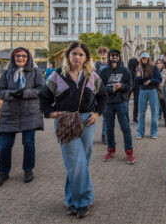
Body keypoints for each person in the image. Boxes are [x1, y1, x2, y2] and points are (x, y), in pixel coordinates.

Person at [39, 42, 107, 218]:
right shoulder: (56, 75)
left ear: (86, 58)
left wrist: (98, 113)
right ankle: (84, 201)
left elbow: (103, 96)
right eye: (74, 54)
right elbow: (44, 97)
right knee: (76, 162)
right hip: (66, 121)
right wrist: (51, 113)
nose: (77, 57)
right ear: (68, 56)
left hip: (87, 121)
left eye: (81, 55)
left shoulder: (92, 75)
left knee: (81, 162)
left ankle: (70, 200)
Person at [0, 47, 45, 188]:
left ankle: (28, 170)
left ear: (28, 58)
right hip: (10, 114)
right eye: (17, 56)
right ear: (13, 58)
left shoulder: (36, 72)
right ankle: (3, 172)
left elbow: (42, 90)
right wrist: (11, 94)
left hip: (30, 113)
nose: (20, 58)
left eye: (23, 56)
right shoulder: (6, 73)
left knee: (28, 143)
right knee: (5, 145)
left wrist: (24, 93)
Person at [100, 49, 134, 164]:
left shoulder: (125, 70)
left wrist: (121, 87)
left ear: (119, 57)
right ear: (109, 57)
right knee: (109, 129)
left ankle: (129, 152)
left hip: (122, 102)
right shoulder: (104, 71)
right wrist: (111, 89)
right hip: (108, 104)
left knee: (125, 128)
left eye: (116, 55)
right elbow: (100, 88)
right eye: (112, 55)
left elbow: (130, 85)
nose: (114, 57)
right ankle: (111, 150)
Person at [135, 52, 162, 139]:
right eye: (143, 58)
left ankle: (154, 132)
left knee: (154, 112)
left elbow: (159, 79)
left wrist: (150, 81)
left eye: (145, 58)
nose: (144, 59)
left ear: (148, 58)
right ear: (141, 59)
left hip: (152, 90)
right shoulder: (139, 68)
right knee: (141, 113)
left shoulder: (154, 67)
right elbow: (136, 83)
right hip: (142, 91)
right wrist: (138, 77)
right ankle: (140, 132)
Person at [95, 46, 109, 145]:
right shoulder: (96, 65)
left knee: (106, 116)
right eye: (101, 52)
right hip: (96, 92)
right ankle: (87, 134)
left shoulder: (110, 65)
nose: (103, 54)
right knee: (91, 114)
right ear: (98, 54)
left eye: (104, 52)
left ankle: (104, 135)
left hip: (106, 93)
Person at [156, 59, 166, 127]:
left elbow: (162, 81)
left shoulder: (164, 71)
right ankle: (156, 119)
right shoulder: (154, 71)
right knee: (155, 106)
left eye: (160, 63)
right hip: (155, 90)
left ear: (162, 64)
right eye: (157, 63)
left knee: (164, 105)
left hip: (162, 91)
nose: (159, 64)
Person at [128, 57, 140, 124]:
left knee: (136, 102)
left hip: (135, 85)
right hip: (132, 84)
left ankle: (134, 118)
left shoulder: (142, 63)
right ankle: (132, 118)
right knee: (128, 100)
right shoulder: (132, 61)